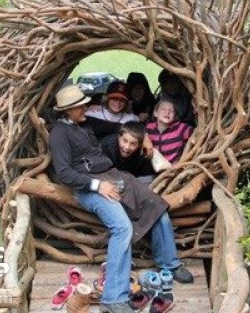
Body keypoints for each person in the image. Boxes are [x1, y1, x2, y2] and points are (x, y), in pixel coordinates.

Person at [48, 85, 193, 313]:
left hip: (112, 175)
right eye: (81, 105)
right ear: (69, 110)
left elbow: (118, 127)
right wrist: (97, 186)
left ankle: (170, 263)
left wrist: (144, 135)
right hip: (89, 186)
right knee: (122, 228)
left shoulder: (83, 123)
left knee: (157, 205)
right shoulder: (59, 134)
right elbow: (64, 173)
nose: (86, 106)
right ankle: (113, 297)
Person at [146, 99, 194, 165]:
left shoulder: (180, 128)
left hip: (174, 167)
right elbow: (140, 136)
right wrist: (146, 139)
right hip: (153, 167)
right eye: (164, 109)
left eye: (171, 111)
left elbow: (197, 133)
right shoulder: (149, 127)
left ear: (174, 117)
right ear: (156, 113)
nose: (167, 112)